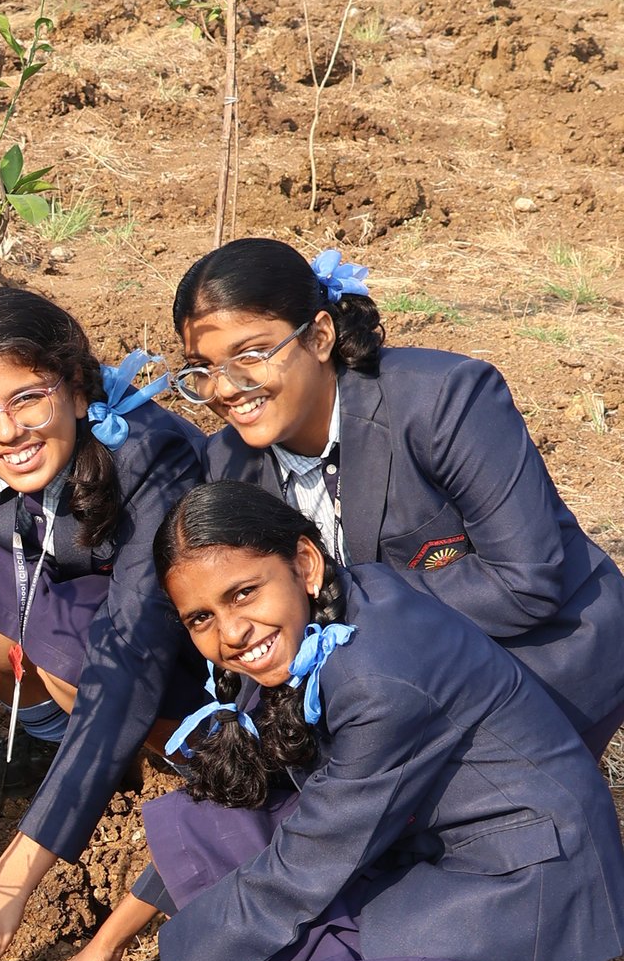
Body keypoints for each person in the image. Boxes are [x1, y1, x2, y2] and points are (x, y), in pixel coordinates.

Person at [16, 482, 624, 961]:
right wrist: (102, 949)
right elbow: (253, 812)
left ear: (304, 564)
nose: (230, 633)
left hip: (530, 888)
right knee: (213, 825)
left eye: (243, 594)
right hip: (443, 850)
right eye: (201, 618)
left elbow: (296, 872)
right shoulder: (322, 617)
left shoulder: (378, 676)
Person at [175, 237, 624, 755]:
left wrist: (338, 598)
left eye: (252, 354)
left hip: (541, 659)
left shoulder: (445, 400)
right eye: (202, 370)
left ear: (319, 336)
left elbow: (526, 583)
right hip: (388, 677)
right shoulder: (228, 461)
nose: (226, 388)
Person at [0, 287, 204, 961]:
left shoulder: (150, 453)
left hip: (173, 654)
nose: (5, 432)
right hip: (63, 605)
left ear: (75, 389)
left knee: (79, 653)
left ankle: (174, 772)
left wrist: (11, 881)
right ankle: (49, 747)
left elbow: (132, 652)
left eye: (28, 400)